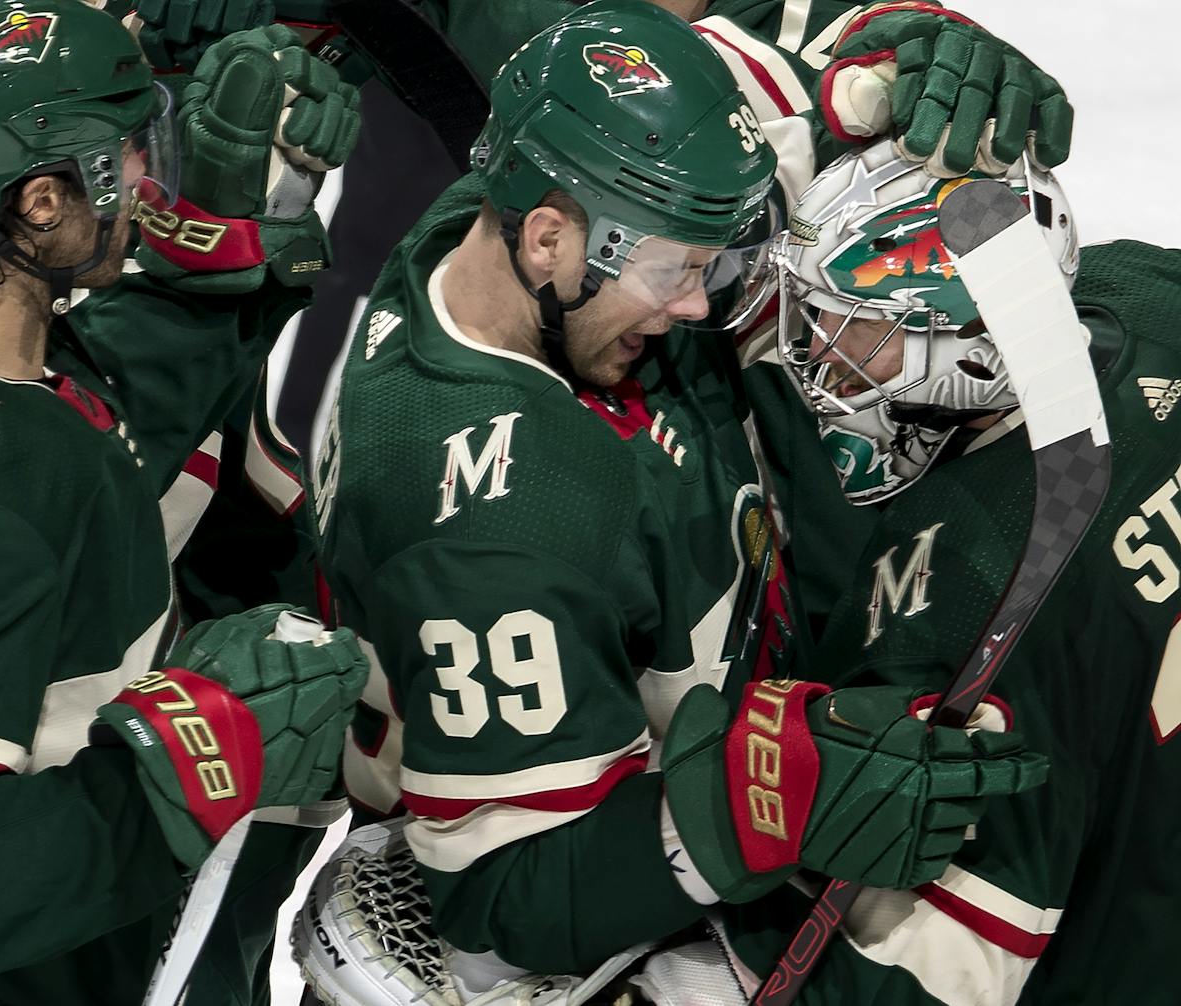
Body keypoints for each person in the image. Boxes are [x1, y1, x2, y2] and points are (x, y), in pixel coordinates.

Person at [302, 1, 1047, 983]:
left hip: (728, 671)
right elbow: (505, 897)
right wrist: (764, 798)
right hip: (592, 889)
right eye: (672, 270)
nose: (699, 301)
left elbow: (736, 118)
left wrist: (885, 73)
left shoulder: (531, 220)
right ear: (546, 242)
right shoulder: (487, 528)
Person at [0, 2, 368, 1004]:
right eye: (124, 153)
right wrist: (168, 775)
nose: (143, 179)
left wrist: (213, 259)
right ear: (41, 202)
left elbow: (104, 403)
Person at [714, 139, 1181, 1004]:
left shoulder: (946, 583)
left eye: (850, 324)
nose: (810, 346)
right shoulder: (1145, 290)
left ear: (964, 348)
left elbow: (939, 972)